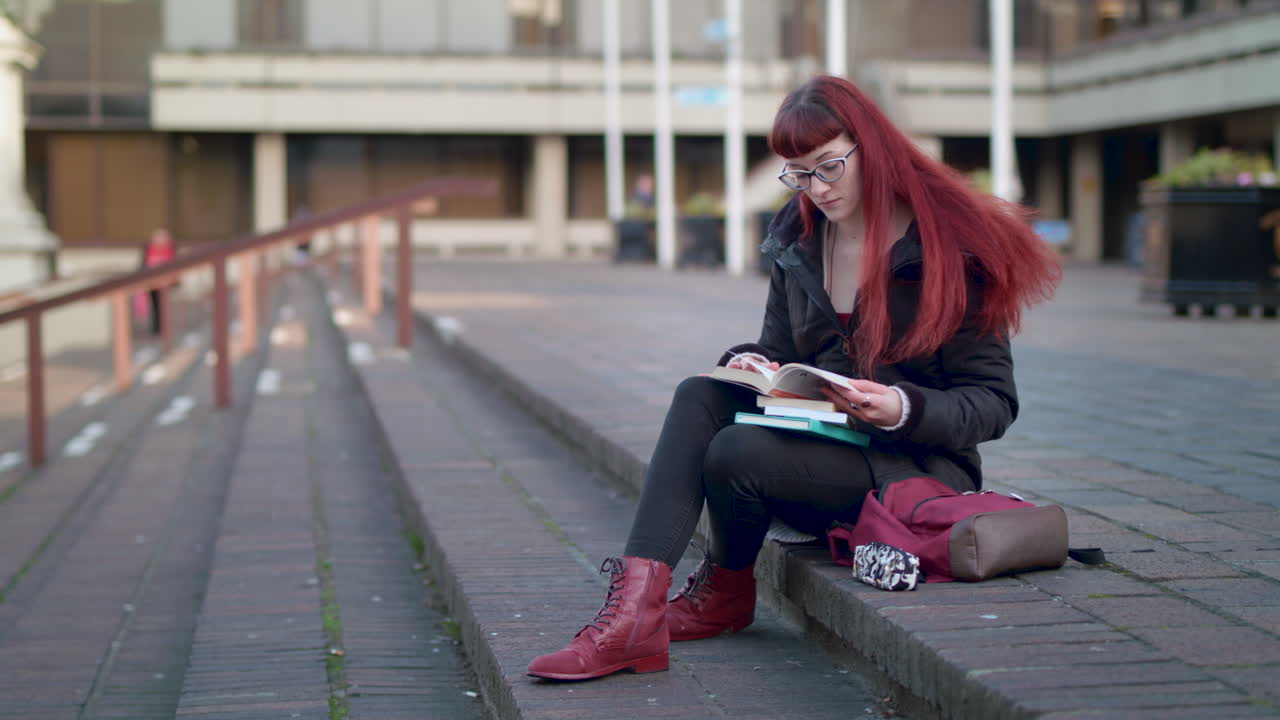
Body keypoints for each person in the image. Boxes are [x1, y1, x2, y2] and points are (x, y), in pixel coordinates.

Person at [526, 75, 1061, 681]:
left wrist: (902, 409)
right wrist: (752, 365)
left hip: (914, 472)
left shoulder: (951, 249)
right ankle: (634, 615)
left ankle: (721, 592)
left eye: (829, 167)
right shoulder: (800, 236)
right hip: (826, 449)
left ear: (872, 147)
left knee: (736, 451)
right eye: (798, 173)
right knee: (701, 393)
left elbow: (992, 401)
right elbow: (779, 350)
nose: (816, 188)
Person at [139, 228, 176, 335]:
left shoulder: (170, 250)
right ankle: (156, 328)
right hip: (152, 283)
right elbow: (143, 265)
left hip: (167, 283)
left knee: (164, 306)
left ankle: (165, 328)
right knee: (155, 306)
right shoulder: (148, 250)